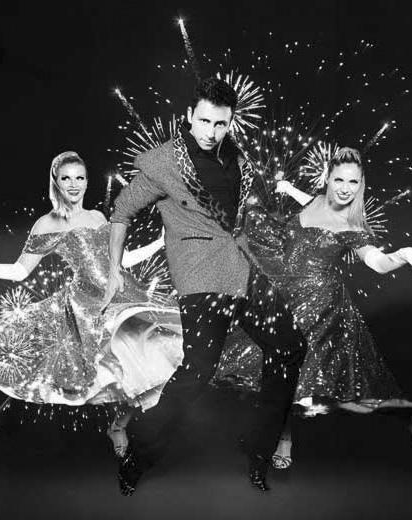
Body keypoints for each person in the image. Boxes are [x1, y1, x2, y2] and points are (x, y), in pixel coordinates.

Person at [102, 77, 306, 494]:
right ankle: (139, 454)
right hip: (199, 275)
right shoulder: (164, 163)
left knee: (289, 345)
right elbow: (121, 211)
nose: (212, 132)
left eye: (221, 123)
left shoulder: (236, 156)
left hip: (241, 267)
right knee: (197, 373)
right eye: (205, 121)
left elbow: (236, 215)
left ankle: (259, 448)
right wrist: (114, 270)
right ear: (189, 116)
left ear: (231, 122)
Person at [217, 147, 412, 475]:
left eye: (353, 182)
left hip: (327, 311)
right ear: (327, 178)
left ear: (361, 184)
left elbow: (377, 262)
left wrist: (402, 254)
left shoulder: (350, 226)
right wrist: (289, 189)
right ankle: (284, 437)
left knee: (367, 383)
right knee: (282, 372)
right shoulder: (315, 200)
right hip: (287, 298)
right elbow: (309, 204)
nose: (345, 188)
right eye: (339, 180)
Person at [0, 151, 183, 455]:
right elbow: (19, 272)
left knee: (151, 358)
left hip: (120, 299)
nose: (73, 184)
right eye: (66, 178)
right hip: (81, 307)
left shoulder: (97, 217)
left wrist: (159, 243)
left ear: (86, 181)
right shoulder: (47, 224)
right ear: (55, 182)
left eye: (79, 178)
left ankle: (118, 425)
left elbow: (119, 262)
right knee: (40, 371)